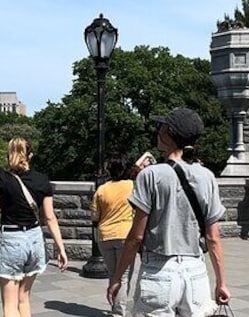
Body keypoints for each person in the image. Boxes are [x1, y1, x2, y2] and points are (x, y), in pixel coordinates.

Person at [107, 107, 230, 315]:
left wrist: (118, 277)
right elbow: (213, 237)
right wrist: (221, 282)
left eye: (161, 127)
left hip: (158, 270)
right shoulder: (207, 176)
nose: (157, 130)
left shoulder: (150, 176)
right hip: (195, 271)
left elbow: (136, 237)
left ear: (169, 133)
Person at [0, 138, 68, 317]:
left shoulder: (0, 179)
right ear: (30, 155)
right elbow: (50, 217)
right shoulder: (42, 180)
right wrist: (61, 248)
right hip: (35, 238)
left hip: (11, 239)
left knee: (10, 304)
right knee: (24, 297)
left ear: (8, 155)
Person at [91, 156, 135, 316]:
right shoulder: (131, 186)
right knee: (122, 276)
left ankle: (114, 308)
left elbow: (95, 216)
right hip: (126, 234)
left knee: (112, 274)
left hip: (105, 236)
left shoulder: (101, 189)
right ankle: (118, 312)